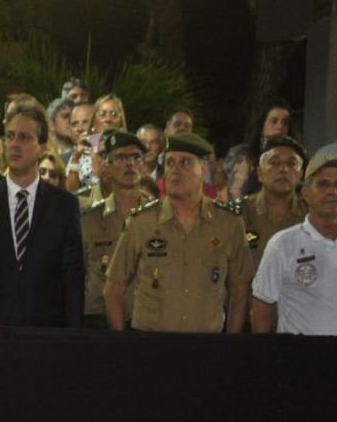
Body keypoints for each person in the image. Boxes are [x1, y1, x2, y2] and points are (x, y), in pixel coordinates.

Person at [104, 133, 254, 333]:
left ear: (203, 169)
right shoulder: (142, 222)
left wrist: (229, 347)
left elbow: (240, 291)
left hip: (206, 346)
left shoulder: (228, 223)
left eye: (185, 162)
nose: (175, 170)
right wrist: (123, 345)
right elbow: (114, 289)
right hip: (150, 345)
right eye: (169, 163)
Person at [0, 103, 84, 327]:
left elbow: (72, 283)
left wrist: (70, 344)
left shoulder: (64, 206)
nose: (14, 144)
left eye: (24, 137)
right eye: (10, 136)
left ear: (42, 148)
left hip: (46, 339)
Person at [253, 154, 337, 336]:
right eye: (323, 184)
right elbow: (262, 307)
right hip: (299, 360)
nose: (333, 192)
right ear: (305, 193)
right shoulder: (283, 243)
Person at [79, 130, 152, 328]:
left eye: (136, 157)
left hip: (146, 324)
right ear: (108, 168)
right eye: (120, 158)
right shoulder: (88, 220)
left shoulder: (159, 217)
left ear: (144, 167)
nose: (129, 164)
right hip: (97, 323)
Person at [232, 135, 306, 268]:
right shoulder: (237, 213)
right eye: (275, 163)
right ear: (259, 173)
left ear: (300, 174)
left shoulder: (312, 216)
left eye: (291, 164)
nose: (283, 169)